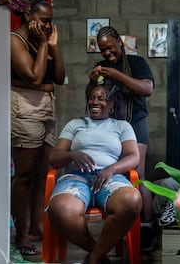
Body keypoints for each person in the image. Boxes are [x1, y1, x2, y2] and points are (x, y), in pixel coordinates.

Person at [47, 81, 142, 264]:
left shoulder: (121, 126)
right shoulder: (75, 124)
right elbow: (54, 158)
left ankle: (94, 259)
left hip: (110, 178)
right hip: (76, 178)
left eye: (101, 98)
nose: (94, 102)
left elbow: (134, 157)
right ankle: (97, 253)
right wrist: (73, 154)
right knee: (62, 209)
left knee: (132, 201)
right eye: (91, 98)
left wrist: (110, 169)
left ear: (111, 104)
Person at [88, 26, 155, 250]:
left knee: (138, 173)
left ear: (119, 41)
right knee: (114, 173)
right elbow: (94, 98)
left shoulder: (136, 63)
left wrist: (119, 76)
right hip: (111, 128)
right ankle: (118, 227)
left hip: (134, 125)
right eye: (103, 50)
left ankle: (146, 227)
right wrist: (91, 82)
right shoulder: (103, 67)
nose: (107, 53)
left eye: (110, 47)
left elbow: (147, 89)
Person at [10, 0, 65, 256]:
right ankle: (21, 236)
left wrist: (53, 44)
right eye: (43, 20)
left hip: (46, 109)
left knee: (41, 174)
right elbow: (34, 77)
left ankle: (35, 228)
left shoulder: (40, 39)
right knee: (24, 175)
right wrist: (44, 46)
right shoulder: (15, 40)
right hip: (24, 108)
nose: (47, 25)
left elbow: (60, 77)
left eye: (50, 21)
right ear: (27, 15)